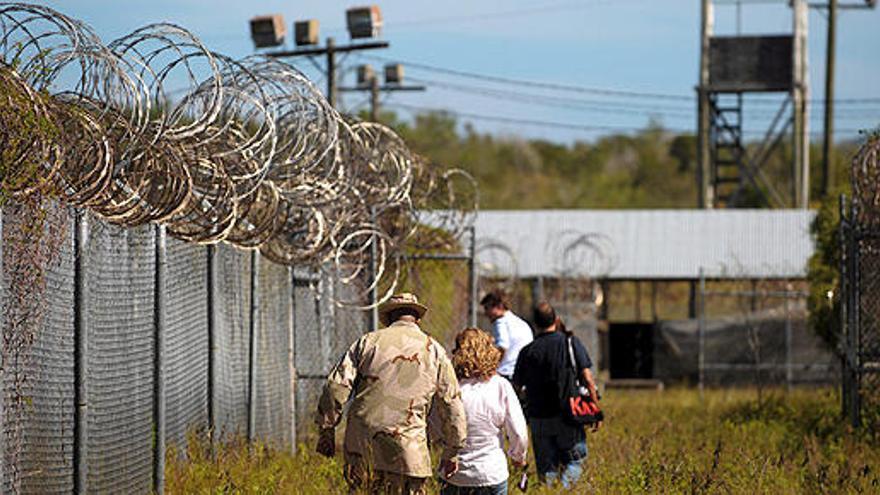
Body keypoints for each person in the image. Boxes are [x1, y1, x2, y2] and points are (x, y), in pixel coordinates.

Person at [315, 293, 467, 495]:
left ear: (388, 318)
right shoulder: (434, 350)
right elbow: (452, 403)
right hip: (409, 453)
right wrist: (453, 451)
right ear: (417, 319)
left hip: (362, 448)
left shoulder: (367, 342)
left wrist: (327, 430)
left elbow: (336, 386)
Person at [512, 301, 601, 489]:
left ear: (535, 324)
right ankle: (565, 489)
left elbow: (517, 388)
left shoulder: (527, 352)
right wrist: (595, 409)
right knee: (574, 461)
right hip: (569, 415)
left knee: (547, 469)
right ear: (556, 320)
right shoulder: (570, 343)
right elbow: (588, 379)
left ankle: (551, 491)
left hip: (539, 418)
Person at [438, 328, 529, 495]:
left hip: (455, 474)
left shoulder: (451, 388)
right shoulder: (500, 386)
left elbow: (437, 427)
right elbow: (518, 431)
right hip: (491, 472)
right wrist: (518, 457)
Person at [480, 290, 533, 380]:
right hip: (523, 372)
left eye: (487, 308)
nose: (486, 313)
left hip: (506, 373)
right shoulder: (519, 322)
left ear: (499, 306)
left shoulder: (501, 322)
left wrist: (491, 368)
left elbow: (502, 346)